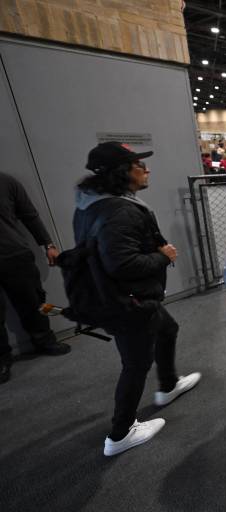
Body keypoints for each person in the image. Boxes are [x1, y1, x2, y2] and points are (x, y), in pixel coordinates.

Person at [73, 142, 201, 456]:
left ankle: (168, 385)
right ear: (122, 172)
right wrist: (163, 256)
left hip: (123, 298)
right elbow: (123, 264)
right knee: (136, 364)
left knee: (167, 330)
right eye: (138, 165)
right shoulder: (119, 211)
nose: (146, 169)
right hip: (127, 302)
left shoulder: (93, 204)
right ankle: (120, 433)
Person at [0, 172, 71, 384]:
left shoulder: (6, 182)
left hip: (14, 254)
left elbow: (29, 215)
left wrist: (48, 244)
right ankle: (2, 358)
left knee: (32, 301)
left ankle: (44, 340)